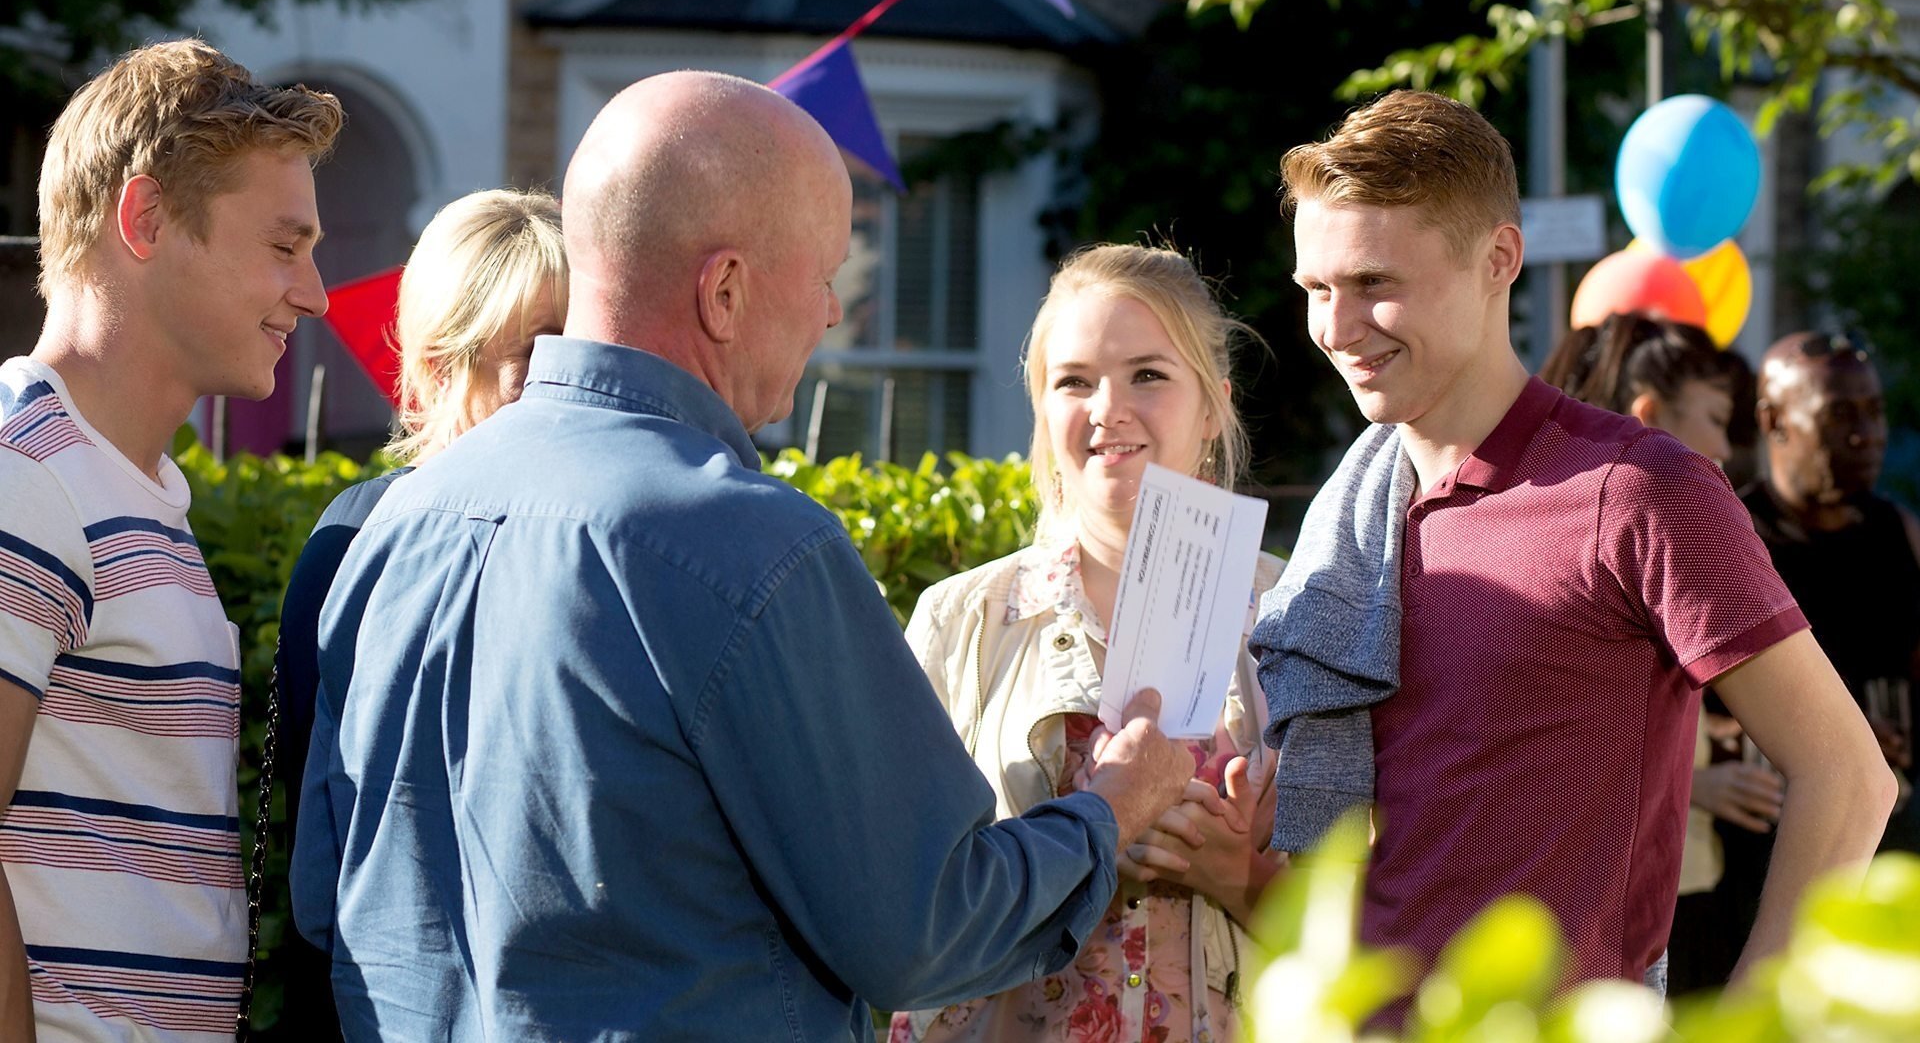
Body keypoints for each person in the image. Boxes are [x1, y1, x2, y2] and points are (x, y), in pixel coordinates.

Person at [290, 71, 1197, 1041]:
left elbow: (324, 902)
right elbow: (924, 925)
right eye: (820, 274)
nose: (830, 314)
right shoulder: (750, 546)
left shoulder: (389, 530)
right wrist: (1109, 809)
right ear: (723, 290)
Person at [1262, 90, 1893, 1008]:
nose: (1338, 327)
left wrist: (1760, 1020)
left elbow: (1847, 775)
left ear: (1500, 260)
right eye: (1317, 290)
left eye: (1374, 284)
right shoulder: (1347, 520)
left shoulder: (1641, 488)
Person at [0, 39, 340, 1040]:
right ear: (144, 218)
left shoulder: (141, 492)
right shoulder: (27, 478)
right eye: (284, 247)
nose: (315, 294)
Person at [889, 244, 1284, 1043]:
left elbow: (1377, 922)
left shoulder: (1295, 612)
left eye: (1148, 374)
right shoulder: (962, 620)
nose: (1109, 408)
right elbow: (902, 906)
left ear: (1213, 405)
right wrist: (1096, 841)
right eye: (1074, 381)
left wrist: (1236, 876)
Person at [272, 188, 566, 1033]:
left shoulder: (606, 539)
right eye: (533, 354)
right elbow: (324, 850)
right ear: (439, 365)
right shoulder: (351, 546)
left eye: (579, 349)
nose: (566, 382)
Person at [1538, 311, 1787, 994]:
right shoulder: (1641, 532)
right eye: (1714, 417)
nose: (1725, 448)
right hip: (1625, 919)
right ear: (1649, 413)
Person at [1729, 330, 1920, 932]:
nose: (1867, 434)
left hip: (1892, 831)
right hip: (1765, 847)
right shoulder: (1732, 537)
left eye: (1873, 411)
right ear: (1775, 420)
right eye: (1840, 415)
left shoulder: (1898, 532)